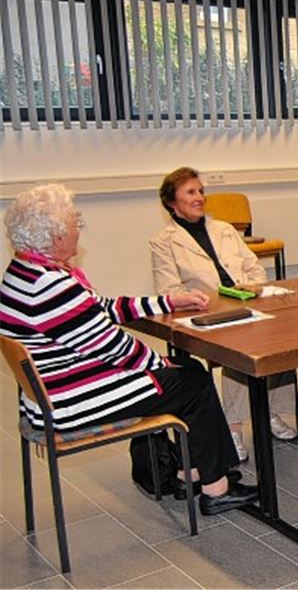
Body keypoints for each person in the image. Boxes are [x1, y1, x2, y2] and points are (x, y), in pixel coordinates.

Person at [0, 183, 258, 516]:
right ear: (56, 237)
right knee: (192, 381)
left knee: (187, 370)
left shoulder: (24, 272)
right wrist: (159, 362)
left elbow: (100, 308)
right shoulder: (51, 285)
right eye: (74, 222)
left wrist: (167, 302)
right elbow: (115, 347)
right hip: (69, 401)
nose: (80, 229)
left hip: (51, 391)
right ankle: (216, 489)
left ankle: (193, 473)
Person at [149, 166, 298, 463]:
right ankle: (233, 428)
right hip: (207, 312)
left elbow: (254, 267)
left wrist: (251, 286)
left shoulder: (225, 229)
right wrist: (210, 299)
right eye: (190, 192)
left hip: (249, 301)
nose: (199, 197)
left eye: (201, 191)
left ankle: (269, 412)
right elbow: (169, 288)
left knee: (283, 337)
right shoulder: (162, 241)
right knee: (240, 346)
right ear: (172, 202)